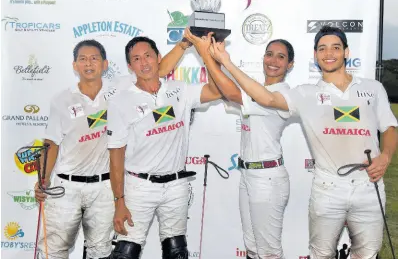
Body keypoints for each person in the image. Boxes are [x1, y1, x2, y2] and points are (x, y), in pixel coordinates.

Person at [208, 25, 398, 258]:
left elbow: (389, 127)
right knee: (320, 254)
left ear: (346, 52)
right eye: (322, 49)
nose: (329, 53)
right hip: (328, 187)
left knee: (368, 253)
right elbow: (265, 97)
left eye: (335, 48)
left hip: (369, 185)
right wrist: (226, 62)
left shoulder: (373, 88)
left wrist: (386, 155)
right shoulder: (305, 93)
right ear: (315, 55)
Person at [34, 39, 193, 259]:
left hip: (105, 188)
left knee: (100, 251)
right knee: (54, 250)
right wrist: (43, 180)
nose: (88, 64)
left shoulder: (120, 89)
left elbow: (160, 69)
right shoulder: (61, 100)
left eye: (94, 58)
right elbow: (51, 143)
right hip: (66, 186)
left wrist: (183, 45)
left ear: (105, 64)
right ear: (74, 65)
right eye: (82, 59)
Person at [107, 35, 224, 259]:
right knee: (125, 252)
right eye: (137, 59)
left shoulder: (181, 89)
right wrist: (119, 201)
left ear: (159, 57)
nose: (144, 63)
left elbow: (217, 91)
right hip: (139, 187)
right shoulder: (121, 101)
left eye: (148, 56)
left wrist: (209, 55)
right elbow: (116, 155)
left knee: (176, 251)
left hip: (176, 186)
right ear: (130, 66)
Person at [184, 28, 294, 259]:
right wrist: (211, 58)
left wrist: (210, 57)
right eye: (269, 54)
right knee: (253, 247)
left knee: (269, 252)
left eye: (281, 57)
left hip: (268, 179)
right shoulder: (256, 89)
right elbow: (224, 90)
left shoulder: (281, 93)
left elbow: (234, 93)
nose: (273, 61)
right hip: (248, 175)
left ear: (290, 65)